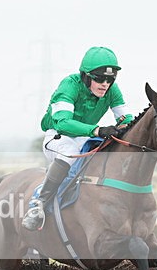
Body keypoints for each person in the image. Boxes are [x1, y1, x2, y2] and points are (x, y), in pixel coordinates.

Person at [22, 46, 134, 231]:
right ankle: (39, 203)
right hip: (58, 137)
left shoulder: (112, 90)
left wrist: (127, 127)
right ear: (85, 76)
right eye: (99, 78)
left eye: (110, 79)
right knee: (70, 152)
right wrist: (98, 130)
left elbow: (126, 119)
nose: (105, 84)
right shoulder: (69, 85)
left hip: (85, 137)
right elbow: (63, 123)